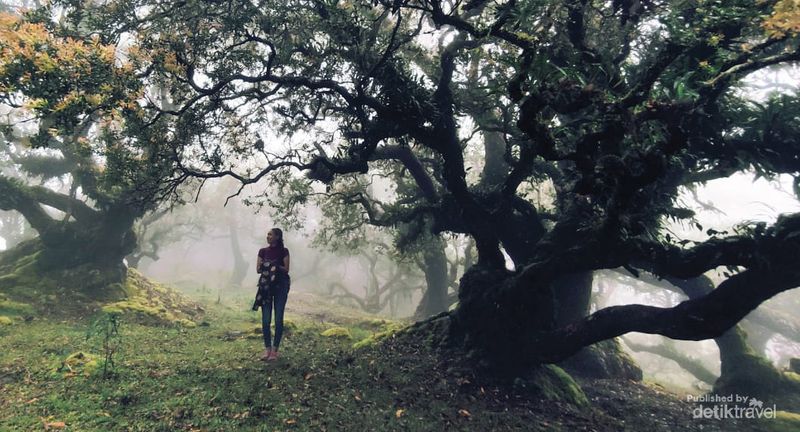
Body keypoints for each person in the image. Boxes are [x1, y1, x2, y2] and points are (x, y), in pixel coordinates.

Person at [255, 228, 290, 361]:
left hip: (281, 287)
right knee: (265, 320)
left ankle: (275, 351)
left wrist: (273, 265)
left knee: (278, 318)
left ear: (277, 237)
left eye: (270, 234)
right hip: (266, 288)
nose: (268, 236)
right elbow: (258, 269)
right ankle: (267, 349)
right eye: (267, 234)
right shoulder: (262, 251)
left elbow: (286, 269)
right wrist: (270, 265)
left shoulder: (284, 251)